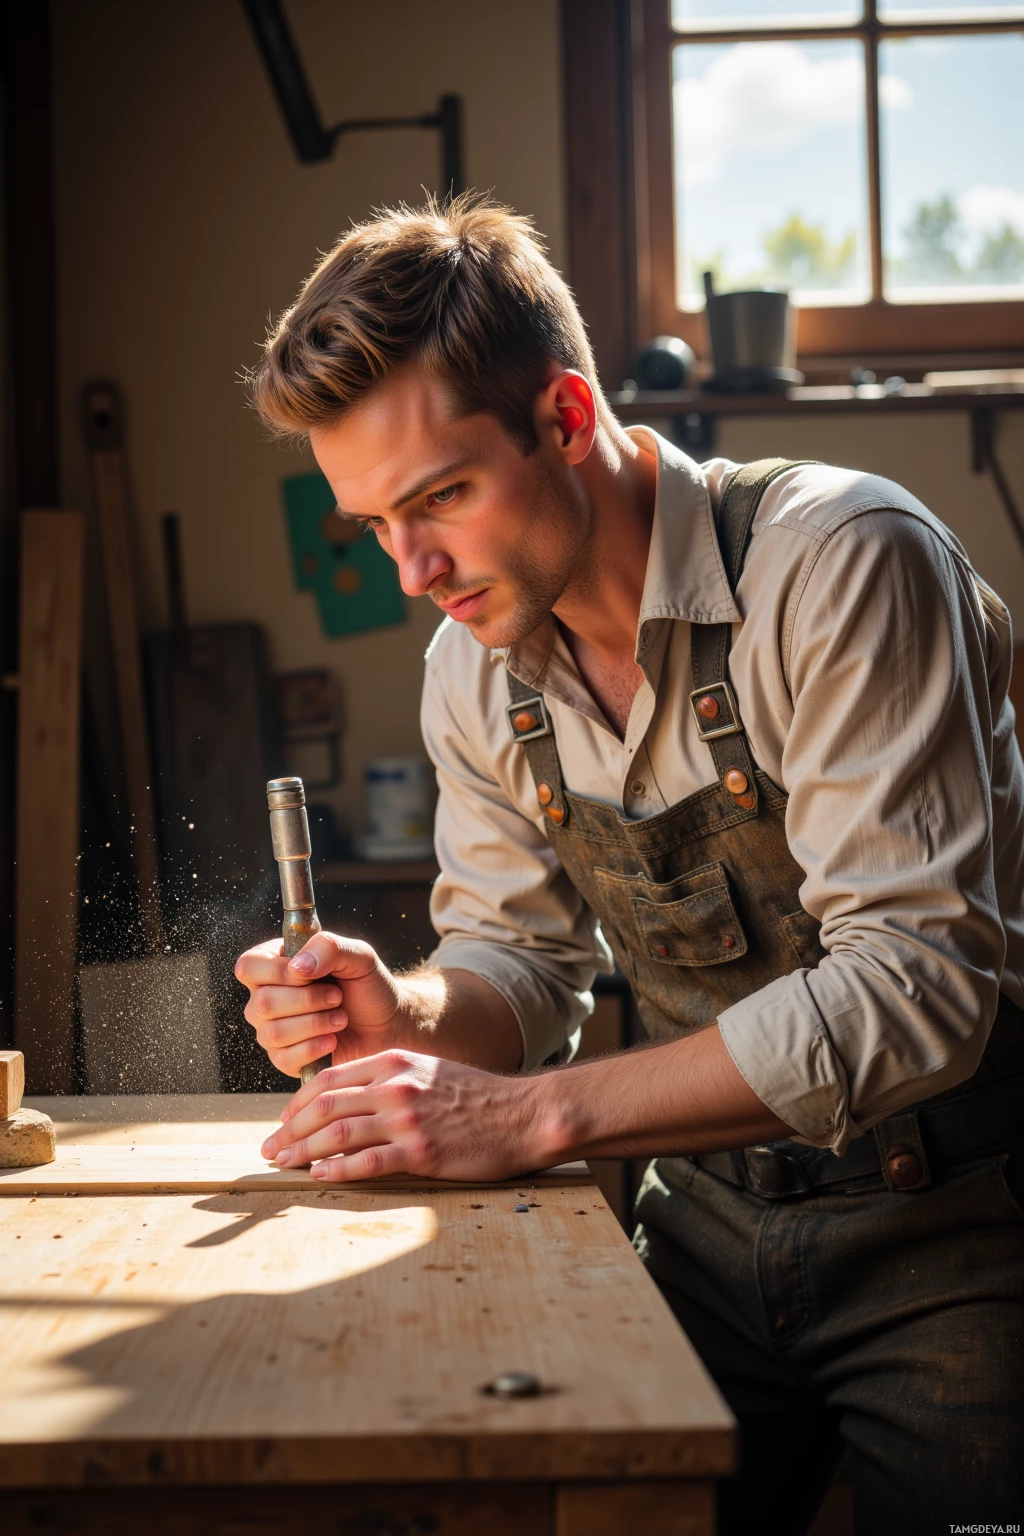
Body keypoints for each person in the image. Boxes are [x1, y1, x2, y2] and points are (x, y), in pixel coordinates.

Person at [235, 197, 1023, 1534]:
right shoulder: (472, 668)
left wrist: (533, 1117)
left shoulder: (839, 563)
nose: (415, 569)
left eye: (440, 498)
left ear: (566, 416)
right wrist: (412, 1012)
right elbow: (521, 963)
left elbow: (918, 984)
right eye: (371, 525)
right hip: (702, 1233)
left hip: (955, 1233)